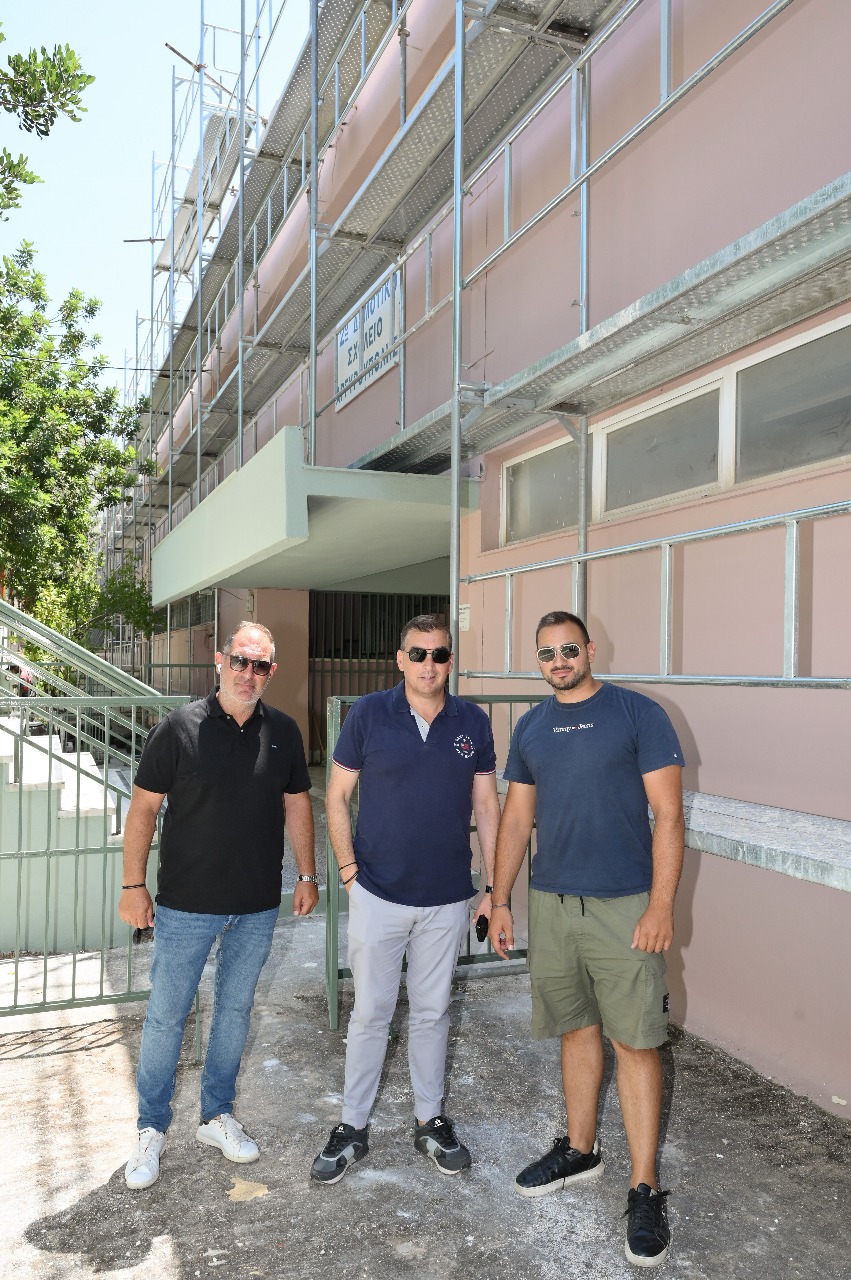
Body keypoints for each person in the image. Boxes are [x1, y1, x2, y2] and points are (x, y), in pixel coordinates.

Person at [489, 611, 684, 1269]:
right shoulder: (530, 727)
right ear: (537, 662)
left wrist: (660, 906)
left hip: (624, 906)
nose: (559, 661)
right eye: (547, 653)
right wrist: (499, 898)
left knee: (634, 1042)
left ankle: (644, 1186)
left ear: (590, 650)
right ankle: (579, 1149)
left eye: (569, 649)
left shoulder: (637, 714)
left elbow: (668, 815)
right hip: (552, 903)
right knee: (574, 1029)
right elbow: (517, 818)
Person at [118, 621, 318, 1190]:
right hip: (186, 905)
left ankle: (216, 1115)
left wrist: (306, 874)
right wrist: (133, 886)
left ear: (271, 672)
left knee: (234, 1012)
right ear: (219, 660)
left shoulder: (283, 731)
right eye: (240, 661)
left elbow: (297, 804)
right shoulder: (178, 729)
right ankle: (150, 1128)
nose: (248, 673)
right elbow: (143, 810)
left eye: (260, 666)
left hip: (256, 905)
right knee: (167, 1016)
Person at [311, 614, 500, 1184]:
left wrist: (495, 890)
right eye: (417, 654)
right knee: (370, 1013)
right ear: (400, 659)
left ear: (450, 661)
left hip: (446, 898)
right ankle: (351, 1125)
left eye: (439, 654)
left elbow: (487, 808)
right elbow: (337, 796)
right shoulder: (368, 714)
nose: (428, 665)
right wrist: (349, 873)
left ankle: (429, 1120)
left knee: (432, 1012)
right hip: (378, 893)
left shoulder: (473, 722)